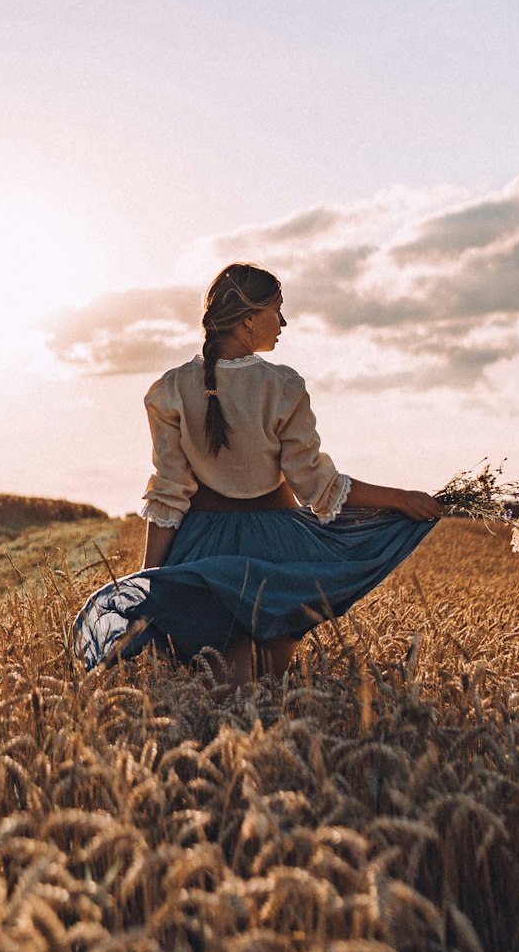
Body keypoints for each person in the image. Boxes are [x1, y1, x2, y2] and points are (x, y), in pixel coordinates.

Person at [73, 262, 443, 685]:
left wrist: (150, 582)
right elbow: (317, 488)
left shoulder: (171, 389)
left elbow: (169, 498)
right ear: (249, 319)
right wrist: (400, 499)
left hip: (202, 548)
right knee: (271, 684)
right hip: (276, 551)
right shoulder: (282, 387)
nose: (283, 322)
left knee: (228, 683)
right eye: (277, 310)